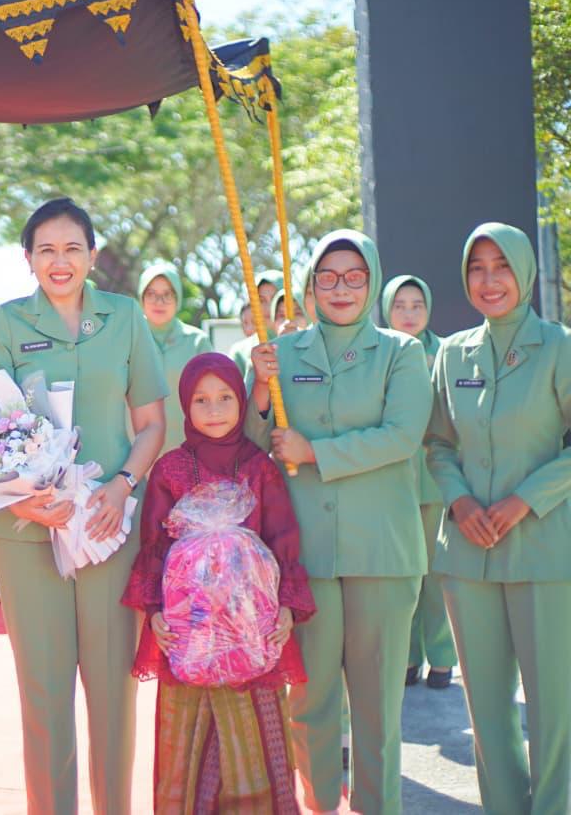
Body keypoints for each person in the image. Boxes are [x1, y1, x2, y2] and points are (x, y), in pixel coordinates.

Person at [0, 197, 167, 814]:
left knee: (113, 693)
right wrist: (27, 504)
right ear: (28, 258)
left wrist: (122, 485)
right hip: (26, 531)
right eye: (47, 250)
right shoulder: (7, 323)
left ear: (91, 254)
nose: (61, 262)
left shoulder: (125, 317)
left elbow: (152, 423)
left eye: (73, 248)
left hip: (108, 528)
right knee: (46, 694)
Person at [247, 230, 431, 814]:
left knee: (377, 710)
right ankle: (319, 805)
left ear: (372, 280)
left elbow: (401, 436)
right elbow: (254, 447)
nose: (341, 288)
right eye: (327, 277)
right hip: (305, 555)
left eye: (354, 276)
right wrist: (257, 386)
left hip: (381, 552)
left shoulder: (402, 353)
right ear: (310, 286)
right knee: (310, 702)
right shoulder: (285, 354)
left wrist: (315, 453)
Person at [123, 352, 315, 813]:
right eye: (201, 400)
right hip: (187, 638)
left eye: (226, 397)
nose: (214, 409)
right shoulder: (169, 469)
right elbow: (153, 546)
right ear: (185, 407)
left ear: (242, 400)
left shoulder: (260, 467)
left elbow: (283, 538)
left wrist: (286, 606)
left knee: (254, 740)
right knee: (184, 745)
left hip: (251, 635)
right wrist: (154, 615)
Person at [424, 222, 571, 813]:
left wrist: (525, 499)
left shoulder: (559, 346)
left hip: (542, 550)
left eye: (502, 265)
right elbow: (437, 444)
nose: (490, 280)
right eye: (477, 268)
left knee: (552, 709)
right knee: (487, 711)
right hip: (467, 553)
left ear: (525, 272)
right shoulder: (453, 352)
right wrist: (459, 500)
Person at [381, 274, 455, 689]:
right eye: (400, 305)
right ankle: (406, 658)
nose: (409, 314)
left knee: (434, 577)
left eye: (417, 305)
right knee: (400, 575)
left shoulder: (446, 353)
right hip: (390, 481)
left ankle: (442, 658)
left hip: (434, 481)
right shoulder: (378, 353)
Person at [138, 262, 213, 454]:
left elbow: (211, 398)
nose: (159, 302)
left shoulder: (197, 342)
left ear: (177, 298)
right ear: (141, 298)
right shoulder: (126, 339)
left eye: (167, 295)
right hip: (135, 455)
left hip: (188, 453)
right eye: (151, 294)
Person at [229, 269, 284, 374]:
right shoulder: (240, 353)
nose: (268, 307)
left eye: (275, 298)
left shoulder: (306, 343)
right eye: (261, 300)